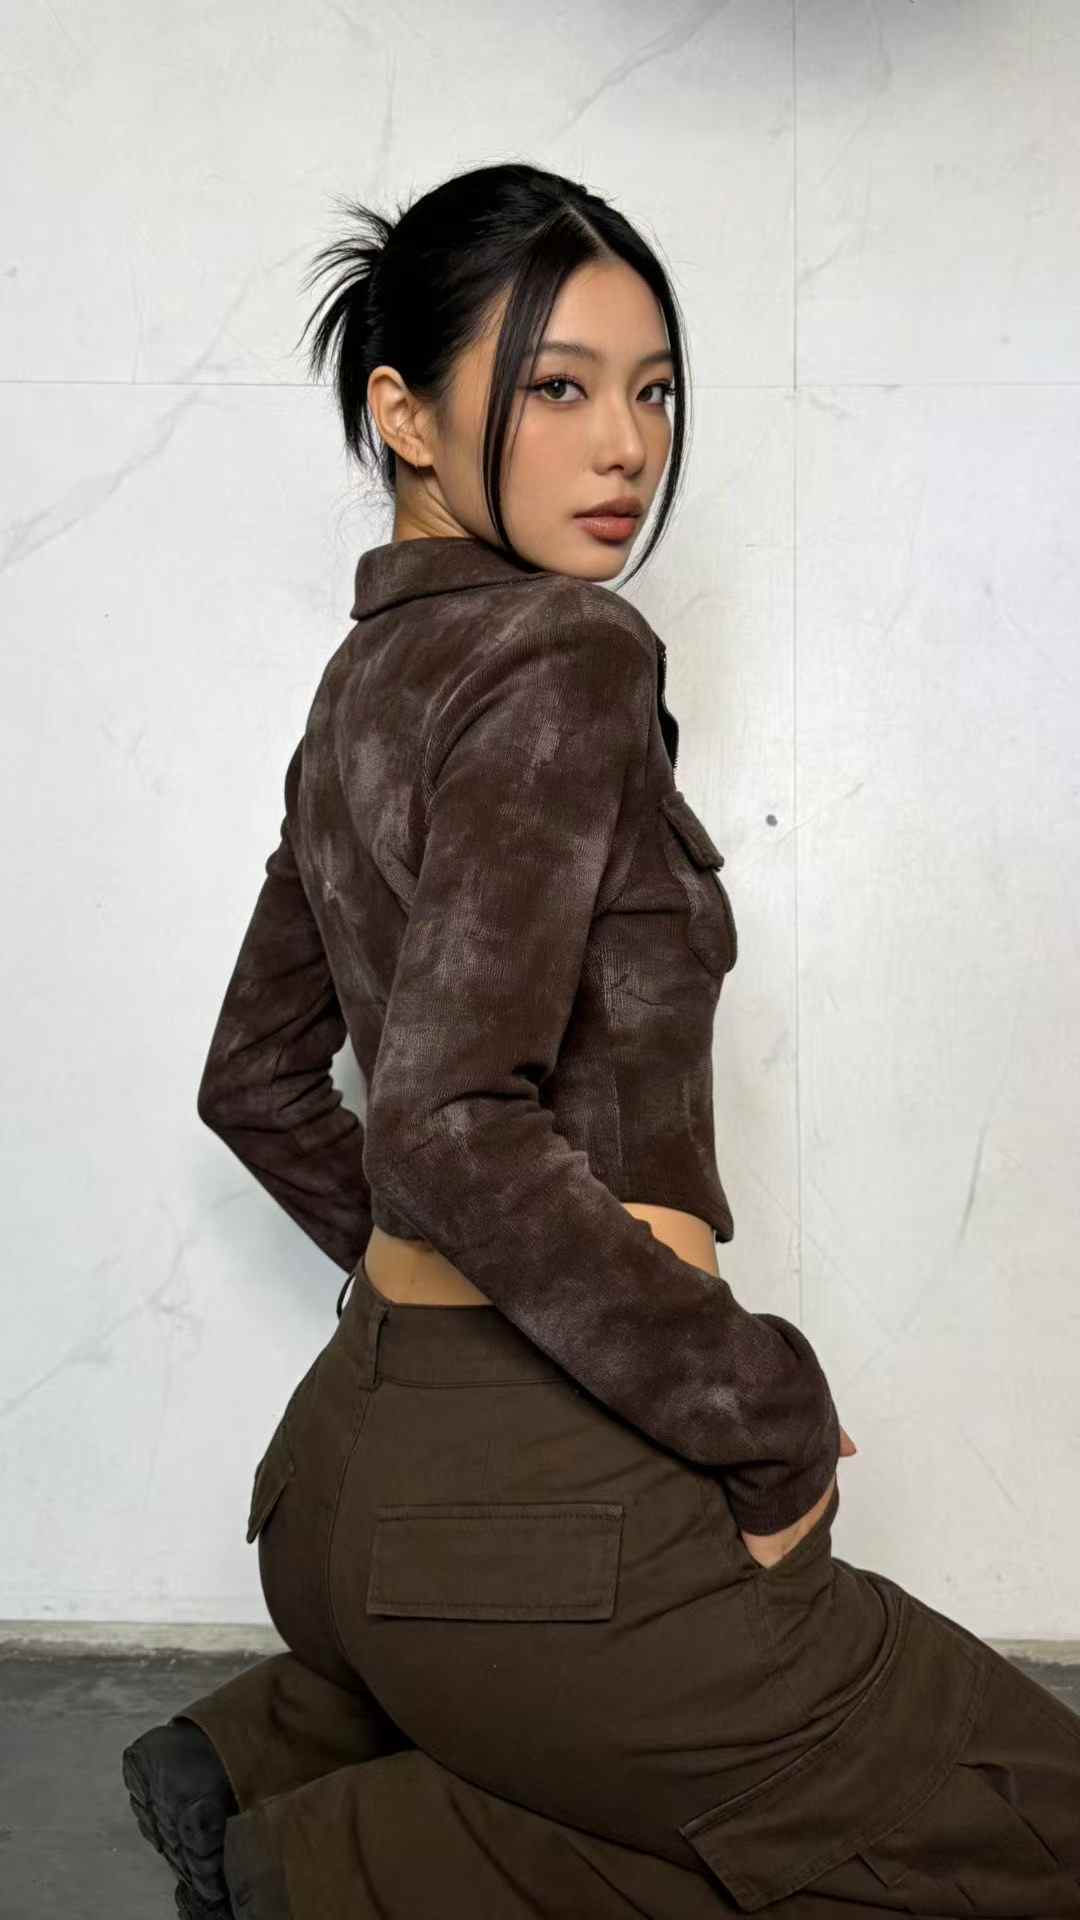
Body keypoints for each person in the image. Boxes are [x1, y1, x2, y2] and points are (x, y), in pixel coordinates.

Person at [122, 163, 1080, 1920]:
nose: (627, 443)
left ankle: (295, 1734)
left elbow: (252, 1084)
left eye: (654, 389)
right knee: (1026, 1823)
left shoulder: (363, 684)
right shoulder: (570, 649)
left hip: (339, 1483)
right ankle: (341, 1863)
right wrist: (758, 1405)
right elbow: (445, 1123)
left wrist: (444, 1305)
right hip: (536, 1515)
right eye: (558, 386)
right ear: (406, 416)